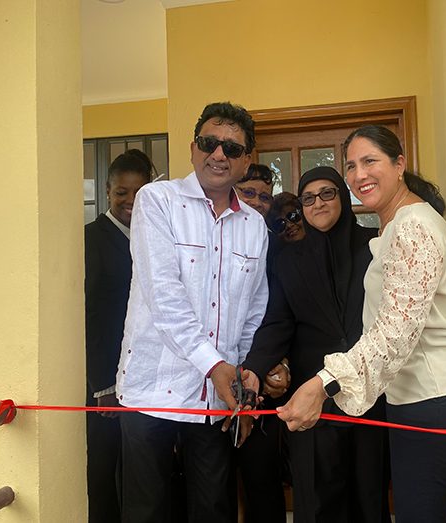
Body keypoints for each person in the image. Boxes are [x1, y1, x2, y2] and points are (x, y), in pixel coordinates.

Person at [275, 125, 446, 522]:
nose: (359, 175)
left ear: (400, 164)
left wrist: (323, 384)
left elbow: (393, 333)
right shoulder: (397, 225)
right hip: (421, 396)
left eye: (370, 161)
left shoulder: (412, 228)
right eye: (351, 165)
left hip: (436, 395)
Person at [115, 102, 268, 523]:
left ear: (246, 161)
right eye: (210, 143)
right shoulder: (157, 201)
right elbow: (165, 299)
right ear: (193, 147)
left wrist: (241, 382)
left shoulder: (255, 225)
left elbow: (255, 311)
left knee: (213, 509)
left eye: (232, 149)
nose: (219, 154)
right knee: (148, 513)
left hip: (216, 401)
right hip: (152, 390)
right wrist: (217, 367)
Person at [242, 166, 390, 523]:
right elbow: (278, 322)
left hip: (370, 394)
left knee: (370, 499)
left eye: (327, 193)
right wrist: (254, 368)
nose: (317, 203)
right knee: (318, 503)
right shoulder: (288, 260)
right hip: (314, 398)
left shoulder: (375, 245)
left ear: (342, 194)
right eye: (308, 198)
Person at [84, 149, 153, 523]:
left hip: (147, 377)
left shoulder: (152, 235)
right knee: (103, 471)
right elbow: (92, 315)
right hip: (107, 382)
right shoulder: (91, 239)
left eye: (137, 192)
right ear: (108, 190)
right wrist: (102, 384)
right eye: (120, 192)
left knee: (141, 472)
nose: (128, 201)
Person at [231, 163, 289, 523]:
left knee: (262, 482)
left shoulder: (281, 247)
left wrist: (280, 364)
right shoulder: (209, 238)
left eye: (265, 196)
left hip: (264, 380)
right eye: (248, 192)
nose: (257, 202)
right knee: (215, 482)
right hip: (215, 379)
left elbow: (284, 314)